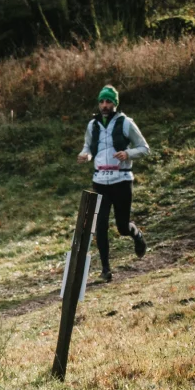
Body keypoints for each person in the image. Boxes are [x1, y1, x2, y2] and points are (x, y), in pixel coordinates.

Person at [77, 84, 149, 282]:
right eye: (101, 101)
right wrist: (86, 155)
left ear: (115, 103)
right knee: (100, 226)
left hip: (121, 180)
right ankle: (105, 270)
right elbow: (88, 147)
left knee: (122, 227)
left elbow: (144, 148)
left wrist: (128, 153)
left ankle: (136, 235)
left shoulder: (126, 123)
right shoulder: (92, 125)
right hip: (100, 181)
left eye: (108, 101)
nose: (104, 105)